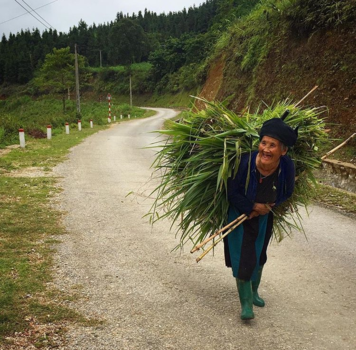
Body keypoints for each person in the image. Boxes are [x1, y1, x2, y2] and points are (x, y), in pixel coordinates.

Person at [224, 114, 298, 320]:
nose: (265, 149)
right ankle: (246, 304)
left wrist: (271, 205)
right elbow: (231, 192)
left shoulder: (287, 167)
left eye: (272, 145)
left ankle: (254, 291)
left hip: (264, 216)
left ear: (283, 151)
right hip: (239, 216)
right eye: (263, 143)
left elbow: (287, 191)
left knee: (259, 254)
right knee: (242, 258)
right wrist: (251, 206)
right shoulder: (245, 162)